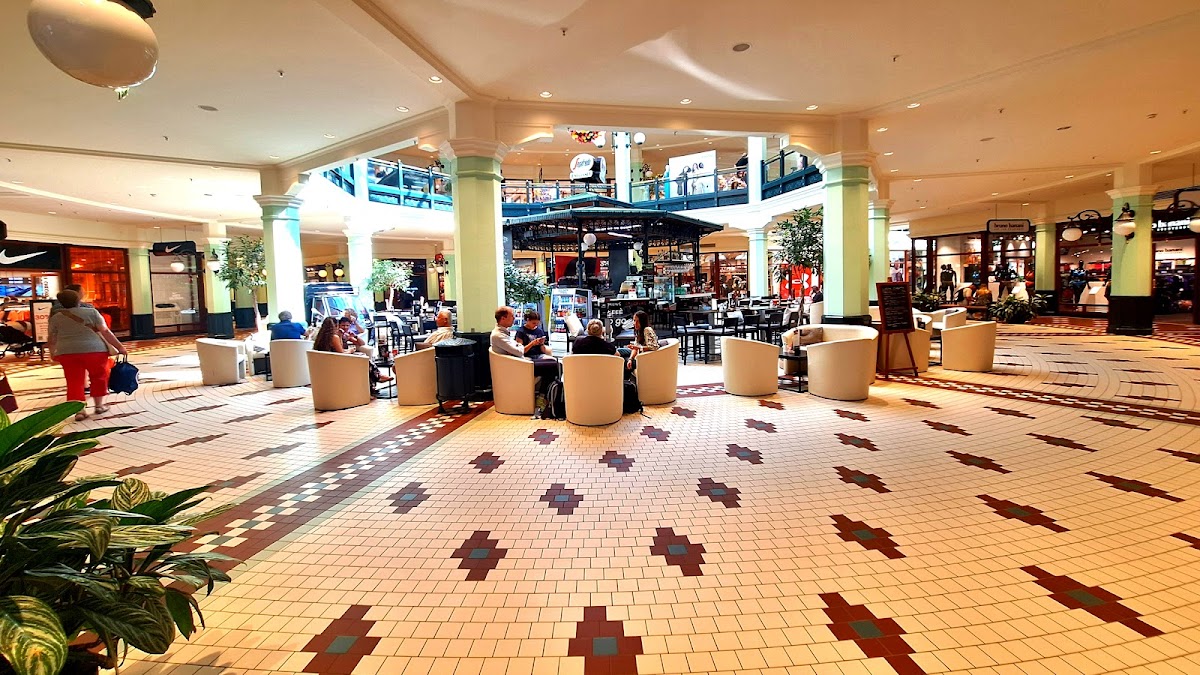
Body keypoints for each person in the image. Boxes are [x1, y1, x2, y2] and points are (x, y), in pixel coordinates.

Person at [46, 289, 127, 422]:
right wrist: (119, 347)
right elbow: (105, 332)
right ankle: (99, 406)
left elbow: (52, 338)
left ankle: (79, 411)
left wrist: (52, 352)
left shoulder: (56, 318)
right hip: (95, 350)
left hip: (67, 352)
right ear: (78, 300)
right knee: (99, 377)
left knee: (74, 382)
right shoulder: (92, 312)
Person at [312, 317, 391, 394]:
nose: (345, 327)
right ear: (336, 326)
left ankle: (376, 379)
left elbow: (340, 350)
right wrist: (350, 351)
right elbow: (341, 354)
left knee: (362, 357)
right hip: (337, 363)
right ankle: (376, 378)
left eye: (347, 325)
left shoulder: (320, 338)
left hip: (327, 363)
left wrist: (351, 337)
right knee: (363, 359)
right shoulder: (334, 337)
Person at [491, 306, 558, 394]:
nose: (514, 318)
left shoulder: (504, 333)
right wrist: (528, 344)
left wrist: (518, 346)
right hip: (520, 363)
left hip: (519, 361)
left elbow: (517, 347)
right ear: (503, 318)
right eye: (512, 316)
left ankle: (548, 394)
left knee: (554, 363)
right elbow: (519, 351)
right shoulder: (499, 335)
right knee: (553, 366)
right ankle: (544, 395)